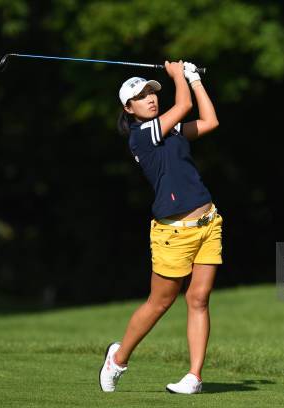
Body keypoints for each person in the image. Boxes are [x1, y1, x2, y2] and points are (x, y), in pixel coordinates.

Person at [99, 60, 222, 395]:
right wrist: (178, 75)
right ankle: (118, 358)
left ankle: (194, 377)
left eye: (152, 92)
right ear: (129, 108)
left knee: (198, 299)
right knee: (160, 302)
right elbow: (182, 105)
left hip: (209, 222)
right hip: (173, 233)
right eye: (141, 96)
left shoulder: (173, 130)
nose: (151, 98)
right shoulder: (141, 137)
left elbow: (210, 120)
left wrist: (195, 80)